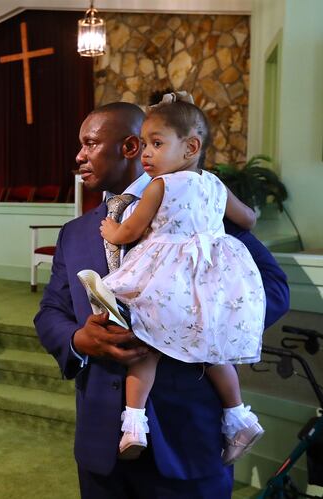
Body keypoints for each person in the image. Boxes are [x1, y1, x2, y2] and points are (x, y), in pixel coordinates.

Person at [34, 101, 289, 498]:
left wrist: (192, 321)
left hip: (190, 437)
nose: (79, 156)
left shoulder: (203, 207)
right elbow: (51, 311)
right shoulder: (76, 232)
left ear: (132, 147)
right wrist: (79, 340)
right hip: (102, 445)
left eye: (89, 144)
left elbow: (274, 287)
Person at [99, 92, 264, 464]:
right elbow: (249, 219)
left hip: (168, 282)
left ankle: (134, 425)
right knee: (215, 352)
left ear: (190, 147)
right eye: (143, 144)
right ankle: (238, 415)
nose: (146, 154)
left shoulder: (162, 186)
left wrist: (111, 231)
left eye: (156, 144)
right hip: (208, 283)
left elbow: (132, 231)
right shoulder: (215, 186)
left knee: (145, 343)